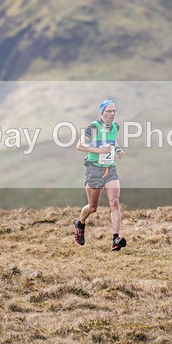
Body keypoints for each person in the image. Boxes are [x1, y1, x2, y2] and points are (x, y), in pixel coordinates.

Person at [74, 99, 127, 251]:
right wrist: (98, 151)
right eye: (109, 111)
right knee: (92, 208)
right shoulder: (94, 127)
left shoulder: (115, 127)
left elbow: (113, 142)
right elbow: (79, 146)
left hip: (110, 169)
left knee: (115, 202)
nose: (112, 114)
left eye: (114, 111)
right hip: (94, 169)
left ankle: (115, 239)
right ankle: (80, 223)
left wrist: (118, 150)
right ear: (102, 112)